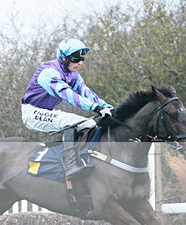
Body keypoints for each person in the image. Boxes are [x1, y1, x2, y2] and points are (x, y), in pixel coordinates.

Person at [20, 38, 115, 178]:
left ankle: (80, 157)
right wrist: (95, 107)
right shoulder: (48, 72)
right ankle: (71, 165)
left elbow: (86, 92)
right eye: (76, 59)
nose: (80, 63)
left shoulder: (73, 74)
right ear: (63, 58)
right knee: (79, 122)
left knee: (89, 123)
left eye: (82, 59)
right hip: (32, 113)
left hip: (47, 111)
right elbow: (67, 95)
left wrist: (106, 106)